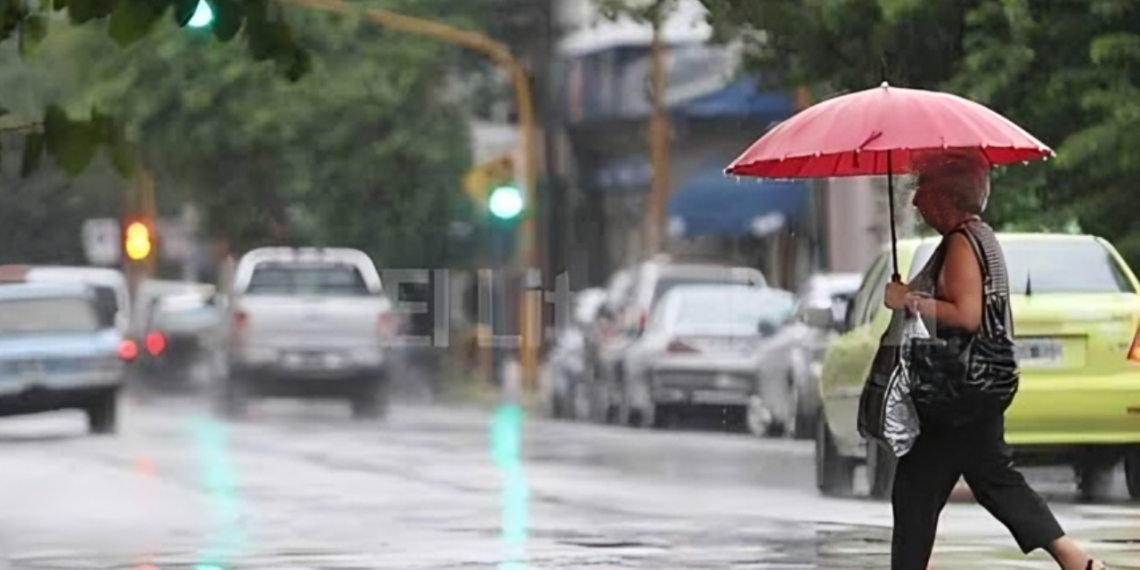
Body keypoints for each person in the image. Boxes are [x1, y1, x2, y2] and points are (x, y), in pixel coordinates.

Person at [881, 149, 1108, 570]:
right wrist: (912, 293)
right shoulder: (978, 236)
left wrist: (909, 299)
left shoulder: (962, 243)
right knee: (993, 481)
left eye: (923, 189)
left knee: (916, 490)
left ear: (948, 195)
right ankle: (1077, 562)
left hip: (958, 388)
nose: (916, 202)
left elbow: (966, 315)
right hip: (976, 385)